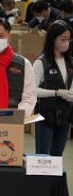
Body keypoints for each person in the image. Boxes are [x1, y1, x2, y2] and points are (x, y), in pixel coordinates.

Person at [33, 20, 73, 156]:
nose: (66, 42)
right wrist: (56, 93)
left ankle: (54, 178)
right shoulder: (41, 62)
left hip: (65, 115)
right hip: (45, 115)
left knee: (57, 154)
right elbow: (32, 90)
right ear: (53, 39)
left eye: (69, 39)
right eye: (63, 39)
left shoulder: (70, 61)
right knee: (42, 154)